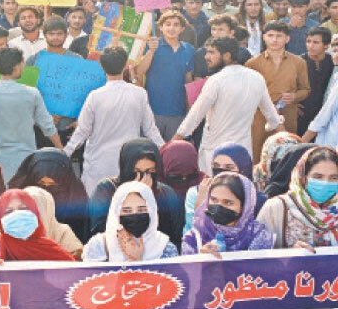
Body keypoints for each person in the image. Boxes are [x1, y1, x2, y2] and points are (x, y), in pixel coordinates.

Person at [64, 46, 164, 195]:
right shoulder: (139, 94)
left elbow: (82, 132)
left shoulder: (95, 96)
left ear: (101, 66)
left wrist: (64, 154)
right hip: (129, 163)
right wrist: (165, 151)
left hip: (98, 165)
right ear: (125, 65)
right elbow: (151, 130)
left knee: (98, 211)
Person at [174, 37, 283, 172]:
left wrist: (172, 145)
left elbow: (195, 116)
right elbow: (273, 117)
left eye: (212, 52)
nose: (206, 57)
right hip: (242, 154)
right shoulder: (257, 78)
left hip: (215, 155)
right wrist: (288, 142)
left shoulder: (216, 81)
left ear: (227, 56)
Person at [0, 48, 62, 182]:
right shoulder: (32, 93)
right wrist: (60, 149)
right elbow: (48, 126)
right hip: (26, 160)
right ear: (17, 67)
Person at [88, 138, 184, 246]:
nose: (143, 177)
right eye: (136, 171)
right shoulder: (106, 189)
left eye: (150, 171)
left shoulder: (166, 193)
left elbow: (176, 235)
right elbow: (100, 231)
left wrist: (149, 198)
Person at [246, 21, 310, 161]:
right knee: (258, 154)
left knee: (286, 154)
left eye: (279, 36)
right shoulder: (253, 63)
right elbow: (248, 93)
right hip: (260, 116)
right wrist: (265, 105)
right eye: (270, 35)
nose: (274, 40)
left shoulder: (299, 62)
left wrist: (294, 96)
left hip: (287, 114)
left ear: (287, 38)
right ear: (264, 37)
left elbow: (305, 89)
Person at [257, 146, 338, 249]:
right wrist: (289, 254)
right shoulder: (276, 207)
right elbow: (258, 252)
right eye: (318, 177)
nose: (326, 183)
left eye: (334, 178)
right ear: (302, 177)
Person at [0, 189, 76, 263]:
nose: (17, 214)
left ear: (36, 214)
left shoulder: (53, 250)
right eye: (9, 211)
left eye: (23, 209)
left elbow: (75, 283)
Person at [183, 142, 267, 235]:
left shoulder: (258, 199)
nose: (221, 171)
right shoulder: (197, 192)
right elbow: (191, 235)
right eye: (216, 166)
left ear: (244, 169)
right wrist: (201, 207)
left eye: (228, 167)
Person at [182, 172, 273, 257]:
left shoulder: (257, 236)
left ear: (244, 206)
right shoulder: (195, 237)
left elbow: (262, 271)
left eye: (228, 202)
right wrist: (200, 261)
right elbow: (186, 272)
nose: (219, 206)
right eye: (214, 200)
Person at [82, 181, 179, 261]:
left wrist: (137, 261)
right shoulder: (99, 246)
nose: (134, 215)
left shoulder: (164, 248)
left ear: (152, 211)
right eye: (126, 210)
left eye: (142, 210)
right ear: (116, 213)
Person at [136, 10, 195, 141]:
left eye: (176, 25)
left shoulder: (189, 49)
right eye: (167, 24)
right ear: (161, 27)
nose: (171, 28)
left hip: (178, 112)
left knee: (173, 153)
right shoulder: (152, 45)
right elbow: (139, 71)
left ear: (182, 29)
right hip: (153, 111)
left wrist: (189, 109)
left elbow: (188, 80)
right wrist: (151, 51)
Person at [8, 148, 89, 242]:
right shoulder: (15, 205)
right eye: (41, 184)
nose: (47, 192)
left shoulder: (77, 200)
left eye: (53, 185)